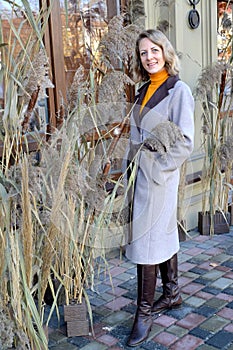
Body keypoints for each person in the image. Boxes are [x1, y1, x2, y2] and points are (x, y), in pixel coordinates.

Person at [123, 29, 195, 347]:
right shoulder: (142, 91)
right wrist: (128, 167)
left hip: (159, 177)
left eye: (154, 50)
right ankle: (172, 293)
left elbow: (186, 142)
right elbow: (136, 135)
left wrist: (158, 171)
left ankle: (144, 313)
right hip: (140, 176)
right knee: (159, 234)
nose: (149, 57)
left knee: (147, 241)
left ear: (165, 52)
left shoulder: (178, 91)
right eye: (143, 52)